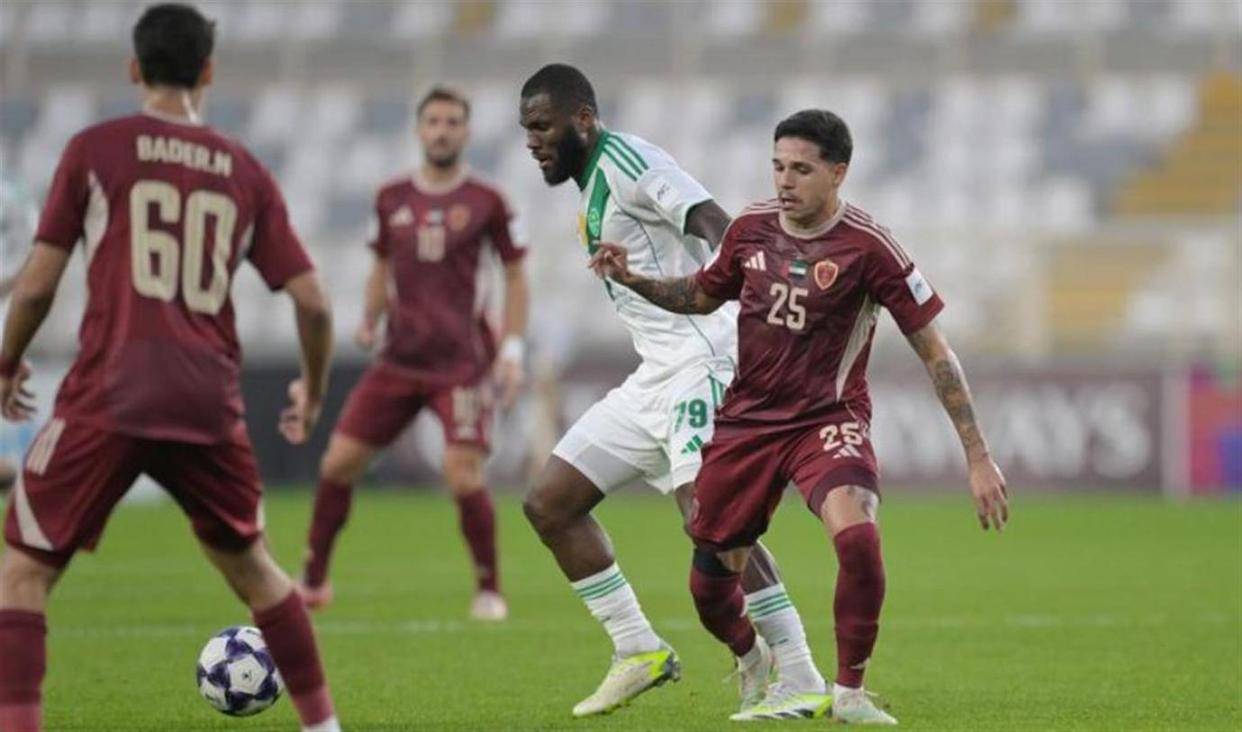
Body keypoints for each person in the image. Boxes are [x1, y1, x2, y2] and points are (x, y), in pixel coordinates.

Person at [589, 109, 1010, 725]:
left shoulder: (870, 247)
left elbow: (935, 352)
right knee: (709, 589)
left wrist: (978, 455)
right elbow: (700, 295)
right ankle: (753, 657)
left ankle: (849, 694)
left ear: (838, 173)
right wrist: (634, 278)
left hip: (826, 419)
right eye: (778, 166)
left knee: (859, 537)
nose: (785, 181)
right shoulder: (750, 229)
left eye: (802, 170)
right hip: (748, 422)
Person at [0, 5, 340, 731]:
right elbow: (313, 302)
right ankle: (324, 725)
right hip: (206, 399)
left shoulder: (94, 149)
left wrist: (7, 360)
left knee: (24, 571)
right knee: (255, 571)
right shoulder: (244, 168)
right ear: (208, 71)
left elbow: (34, 285)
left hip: (109, 390)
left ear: (134, 68)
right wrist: (313, 387)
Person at [519, 63, 828, 720]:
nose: (532, 141)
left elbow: (713, 221)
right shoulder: (593, 183)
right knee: (550, 504)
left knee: (713, 520)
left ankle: (799, 672)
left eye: (542, 126)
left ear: (583, 119)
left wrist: (744, 295)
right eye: (527, 130)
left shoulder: (630, 162)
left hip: (701, 359)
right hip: (655, 373)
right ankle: (639, 649)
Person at [299, 85, 528, 622]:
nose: (442, 131)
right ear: (419, 129)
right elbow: (381, 265)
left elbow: (516, 275)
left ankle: (489, 589)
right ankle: (312, 579)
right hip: (399, 360)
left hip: (462, 364)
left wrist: (511, 349)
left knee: (463, 473)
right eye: (434, 122)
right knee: (338, 462)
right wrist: (369, 318)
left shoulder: (488, 201)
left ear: (466, 132)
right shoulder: (391, 197)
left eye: (452, 122)